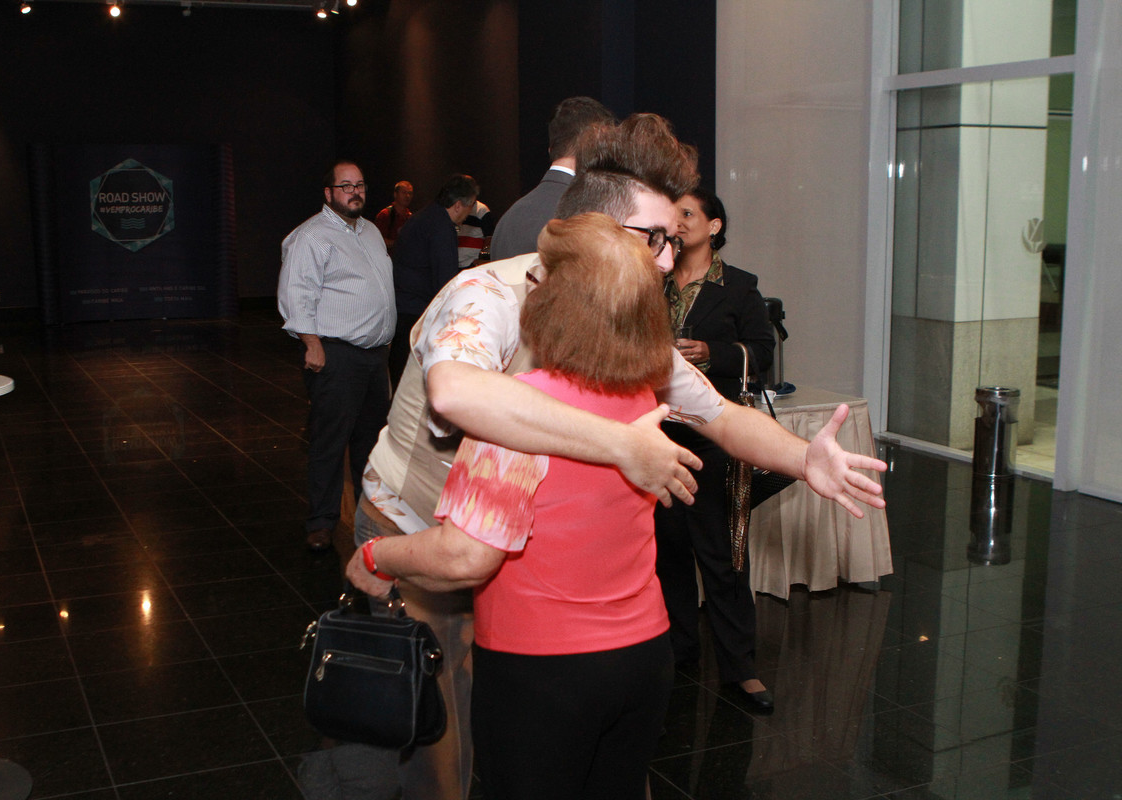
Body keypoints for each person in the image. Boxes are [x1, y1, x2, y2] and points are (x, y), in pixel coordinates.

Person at [347, 113, 886, 800]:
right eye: (653, 238)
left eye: (674, 239)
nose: (667, 259)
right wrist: (624, 445)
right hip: (417, 524)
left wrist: (806, 458)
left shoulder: (628, 332)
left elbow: (721, 416)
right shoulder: (488, 296)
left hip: (518, 587)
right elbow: (454, 392)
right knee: (433, 743)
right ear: (596, 231)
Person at [348, 213, 681, 800]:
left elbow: (465, 557)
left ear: (553, 304)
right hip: (644, 660)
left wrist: (378, 556)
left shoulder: (515, 414)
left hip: (542, 671)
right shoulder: (640, 399)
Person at [655, 189, 779, 712]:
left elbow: (763, 352)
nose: (678, 223)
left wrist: (714, 352)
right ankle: (680, 649)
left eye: (688, 214)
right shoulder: (654, 279)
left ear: (714, 225)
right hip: (658, 433)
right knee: (667, 553)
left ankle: (740, 667)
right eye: (673, 215)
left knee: (724, 556)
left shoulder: (739, 286)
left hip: (715, 436)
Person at [277, 160, 394, 552]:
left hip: (374, 357)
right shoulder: (312, 236)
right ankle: (322, 522)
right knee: (330, 442)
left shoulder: (371, 231)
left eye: (359, 184)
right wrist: (311, 343)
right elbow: (296, 293)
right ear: (328, 193)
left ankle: (369, 517)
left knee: (370, 444)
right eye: (346, 186)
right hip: (336, 356)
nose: (354, 192)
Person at [490, 96, 615, 260]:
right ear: (594, 146)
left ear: (551, 149)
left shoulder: (507, 220)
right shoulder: (587, 217)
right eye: (607, 146)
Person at [388, 174, 480, 389]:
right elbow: (445, 282)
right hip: (417, 314)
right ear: (458, 205)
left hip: (403, 309)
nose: (470, 213)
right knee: (413, 384)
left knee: (401, 376)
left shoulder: (426, 216)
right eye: (471, 206)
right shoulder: (441, 227)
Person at [374, 180, 413, 253]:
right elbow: (377, 240)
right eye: (404, 192)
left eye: (410, 193)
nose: (407, 196)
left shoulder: (411, 217)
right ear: (395, 194)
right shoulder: (385, 215)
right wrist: (399, 243)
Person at [456, 199, 495, 268]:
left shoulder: (482, 210)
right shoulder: (456, 207)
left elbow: (490, 238)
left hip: (472, 263)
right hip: (455, 262)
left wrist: (479, 260)